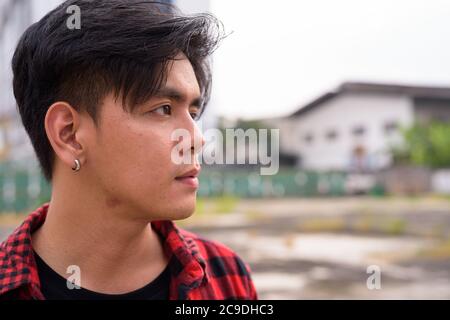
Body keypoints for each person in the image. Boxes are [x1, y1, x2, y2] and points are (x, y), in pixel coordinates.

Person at [0, 0, 257, 300]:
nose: (197, 140)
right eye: (163, 109)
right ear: (69, 134)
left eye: (193, 112)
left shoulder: (226, 278)